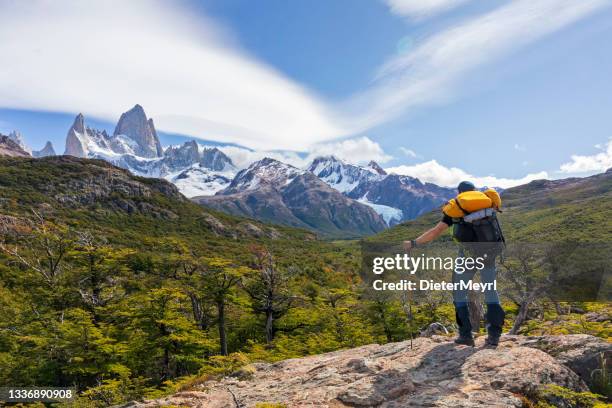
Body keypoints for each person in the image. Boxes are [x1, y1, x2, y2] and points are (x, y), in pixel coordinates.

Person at [403, 181, 505, 347]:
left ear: (459, 193)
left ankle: (465, 334)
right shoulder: (488, 202)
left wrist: (414, 243)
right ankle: (494, 335)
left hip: (467, 255)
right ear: (474, 191)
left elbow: (435, 231)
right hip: (490, 253)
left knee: (459, 293)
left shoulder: (456, 208)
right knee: (491, 291)